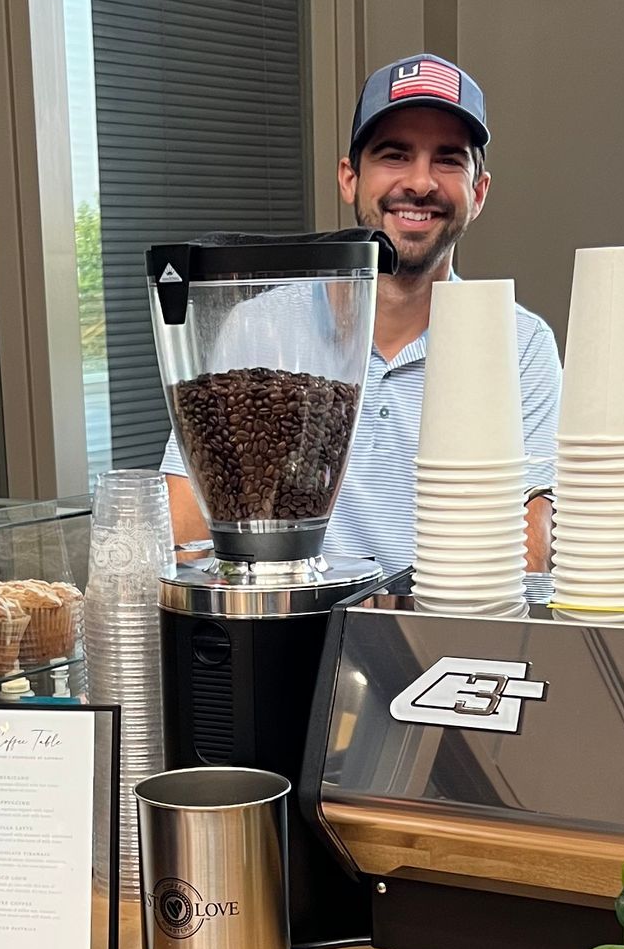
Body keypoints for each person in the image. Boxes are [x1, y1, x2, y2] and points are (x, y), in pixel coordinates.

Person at [163, 54, 562, 575]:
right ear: (350, 178)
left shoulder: (520, 345)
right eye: (395, 155)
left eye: (448, 159)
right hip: (287, 634)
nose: (420, 183)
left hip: (446, 640)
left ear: (478, 192)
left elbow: (527, 559)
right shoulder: (259, 328)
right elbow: (185, 538)